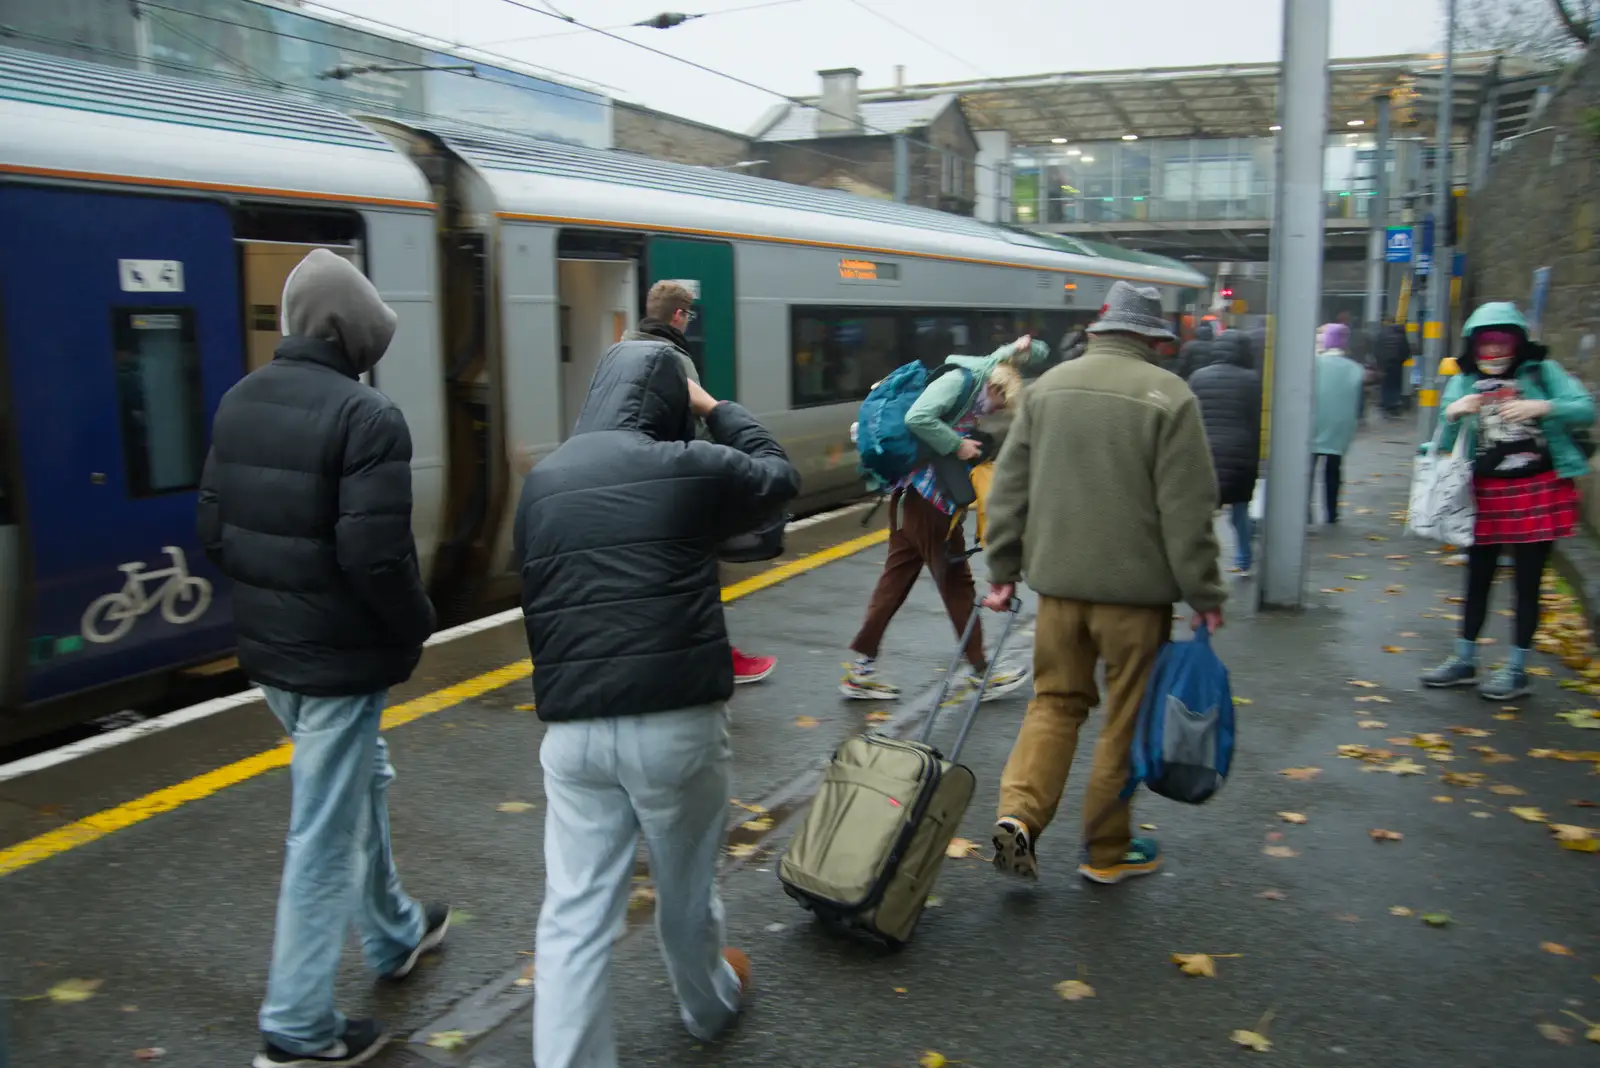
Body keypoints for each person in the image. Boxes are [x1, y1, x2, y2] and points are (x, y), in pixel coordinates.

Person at [514, 342, 800, 1068]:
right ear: (673, 402)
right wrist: (715, 409)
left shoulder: (544, 480)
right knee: (685, 885)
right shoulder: (686, 465)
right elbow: (777, 477)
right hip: (674, 724)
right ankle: (707, 1006)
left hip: (573, 730)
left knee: (575, 912)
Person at [197, 249, 449, 1068]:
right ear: (355, 333)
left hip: (272, 657)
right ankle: (297, 1026)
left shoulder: (239, 399)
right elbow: (377, 559)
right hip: (338, 661)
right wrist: (415, 627)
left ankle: (394, 934)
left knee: (356, 787)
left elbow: (212, 529)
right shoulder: (367, 416)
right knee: (323, 832)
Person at [981, 281, 1226, 884]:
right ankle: (1107, 850)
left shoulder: (1046, 391)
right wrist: (1206, 594)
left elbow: (1010, 489)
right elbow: (1187, 511)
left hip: (1059, 589)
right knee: (1126, 716)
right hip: (1136, 601)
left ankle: (1019, 816)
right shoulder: (1170, 396)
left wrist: (1003, 572)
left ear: (1098, 328)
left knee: (1055, 703)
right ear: (1152, 338)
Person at [840, 336, 1048, 700]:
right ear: (995, 386)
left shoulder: (978, 375)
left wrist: (1016, 350)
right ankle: (981, 671)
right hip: (926, 501)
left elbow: (995, 357)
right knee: (956, 582)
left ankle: (861, 668)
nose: (998, 410)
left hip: (912, 497)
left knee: (895, 581)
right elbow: (917, 417)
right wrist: (957, 444)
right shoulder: (960, 382)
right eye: (1002, 402)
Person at [1420, 302, 1595, 701]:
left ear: (1518, 341)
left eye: (1504, 341)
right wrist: (1452, 413)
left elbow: (1585, 409)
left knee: (1527, 583)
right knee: (1477, 577)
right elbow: (1443, 443)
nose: (1495, 352)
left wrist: (1543, 406)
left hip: (1539, 489)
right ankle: (1464, 659)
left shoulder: (1541, 372)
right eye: (1486, 342)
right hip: (1485, 492)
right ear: (1474, 345)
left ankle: (1517, 668)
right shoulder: (1464, 379)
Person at [623, 281, 776, 684]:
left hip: (629, 482)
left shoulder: (619, 351)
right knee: (700, 575)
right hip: (671, 487)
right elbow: (698, 427)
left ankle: (659, 658)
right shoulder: (673, 359)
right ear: (678, 315)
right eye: (688, 314)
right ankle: (718, 658)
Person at [1188, 330, 1263, 574]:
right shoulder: (1251, 379)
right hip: (1241, 452)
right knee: (1240, 512)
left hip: (1206, 453)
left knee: (1204, 514)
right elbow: (1255, 420)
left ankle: (1202, 565)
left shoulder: (1198, 377)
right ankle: (1243, 559)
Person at [1310, 323, 1366, 524]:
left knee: (1308, 469)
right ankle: (1331, 513)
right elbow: (1359, 401)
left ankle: (1305, 510)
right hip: (1341, 424)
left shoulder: (1315, 363)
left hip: (1314, 422)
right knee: (1333, 469)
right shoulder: (1355, 369)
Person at [1376, 319, 1411, 415]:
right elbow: (1406, 350)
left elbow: (1377, 348)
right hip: (1396, 364)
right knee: (1395, 384)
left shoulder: (1382, 334)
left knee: (1385, 384)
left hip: (1384, 364)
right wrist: (1402, 360)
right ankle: (1394, 404)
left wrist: (1379, 362)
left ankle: (1386, 403)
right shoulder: (1401, 336)